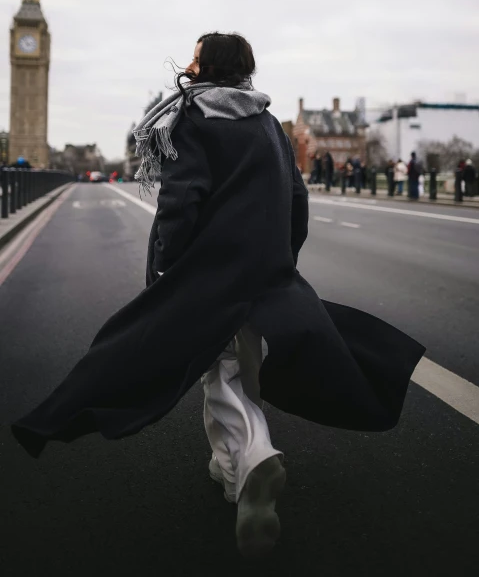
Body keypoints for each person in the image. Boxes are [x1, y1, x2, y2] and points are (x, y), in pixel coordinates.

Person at [11, 32, 425, 559]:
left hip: (211, 272)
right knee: (242, 367)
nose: (188, 61)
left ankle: (254, 458)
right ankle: (231, 471)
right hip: (266, 271)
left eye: (197, 55)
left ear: (210, 66)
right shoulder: (269, 123)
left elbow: (183, 200)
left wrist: (169, 266)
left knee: (220, 368)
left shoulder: (194, 118)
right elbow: (296, 198)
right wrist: (284, 260)